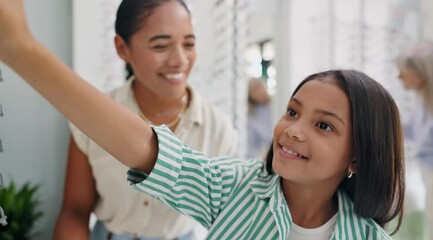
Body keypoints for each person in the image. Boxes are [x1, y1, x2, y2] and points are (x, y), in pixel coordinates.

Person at [0, 1, 404, 239]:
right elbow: (148, 151)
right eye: (293, 111)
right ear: (123, 50)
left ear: (357, 158)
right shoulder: (234, 188)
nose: (293, 129)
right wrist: (20, 48)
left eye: (324, 125)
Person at [52, 0, 239, 239]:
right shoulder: (93, 117)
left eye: (189, 44)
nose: (179, 60)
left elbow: (227, 220)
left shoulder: (218, 130)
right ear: (122, 48)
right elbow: (75, 210)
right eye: (160, 46)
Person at [395, 41, 433, 240]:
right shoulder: (426, 105)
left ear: (422, 74)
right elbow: (410, 130)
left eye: (404, 71)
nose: (399, 76)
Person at [247, 78, 273, 159]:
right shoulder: (251, 113)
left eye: (259, 89)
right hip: (260, 154)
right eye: (253, 91)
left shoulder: (275, 106)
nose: (257, 93)